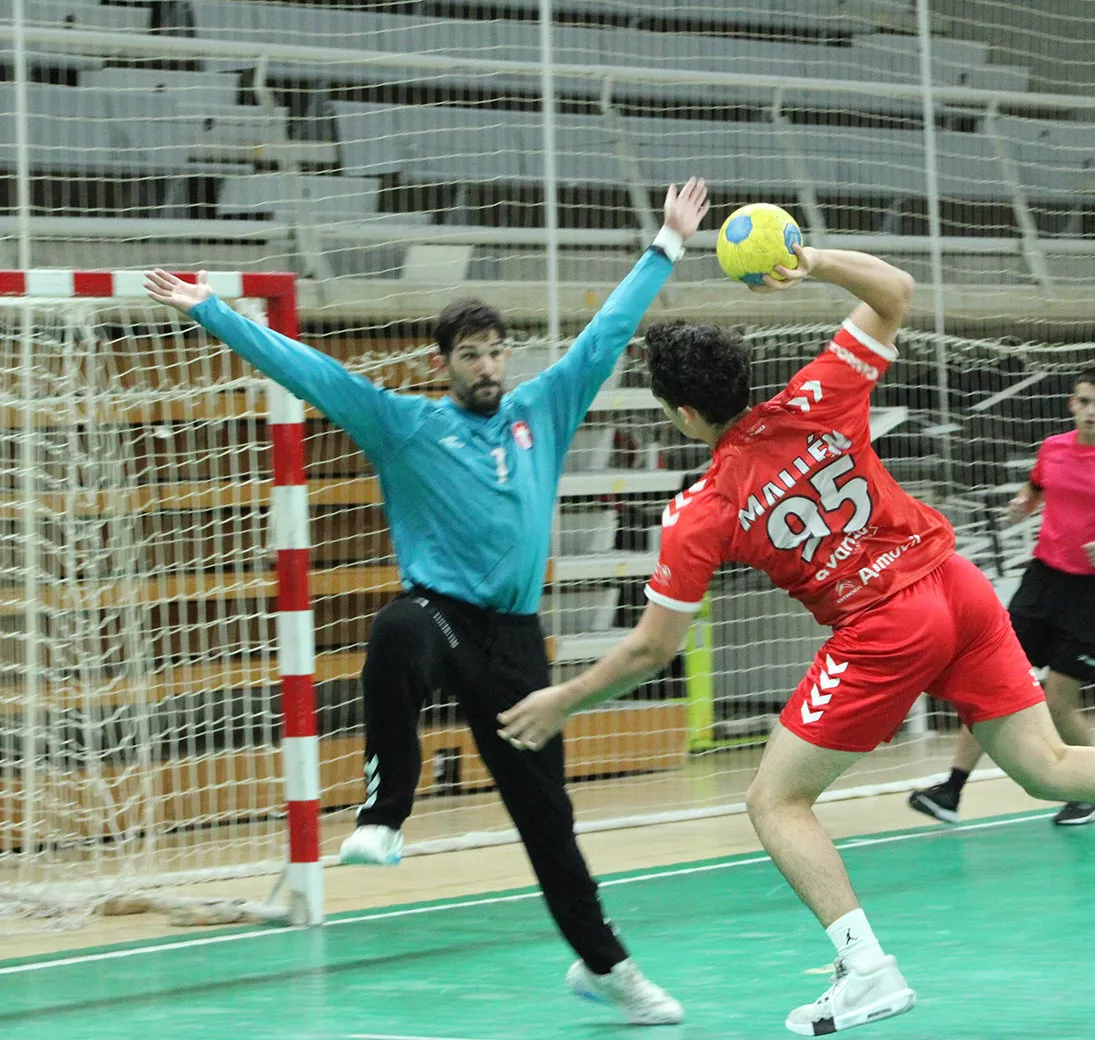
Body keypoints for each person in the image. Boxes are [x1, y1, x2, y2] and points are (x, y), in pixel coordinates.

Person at [495, 244, 1095, 1036]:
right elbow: (895, 289)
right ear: (748, 377)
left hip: (883, 626)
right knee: (1045, 766)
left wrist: (563, 699)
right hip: (957, 588)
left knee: (775, 799)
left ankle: (868, 970)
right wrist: (806, 260)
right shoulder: (817, 395)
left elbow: (651, 651)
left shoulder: (698, 512)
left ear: (683, 415)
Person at [142, 177, 710, 1027]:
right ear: (442, 365)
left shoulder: (541, 410)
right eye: (471, 354)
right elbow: (311, 370)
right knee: (398, 628)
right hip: (442, 619)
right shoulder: (404, 423)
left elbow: (606, 336)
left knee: (547, 824)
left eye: (496, 351)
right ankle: (384, 813)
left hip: (517, 646)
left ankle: (606, 969)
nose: (488, 366)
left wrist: (665, 243)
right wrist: (212, 311)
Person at [909, 369, 1095, 827]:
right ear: (1072, 404)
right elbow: (1035, 488)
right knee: (988, 685)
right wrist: (1023, 504)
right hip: (1040, 584)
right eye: (1083, 401)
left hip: (1090, 595)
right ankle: (951, 791)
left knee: (1057, 704)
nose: (1090, 410)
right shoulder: (1053, 449)